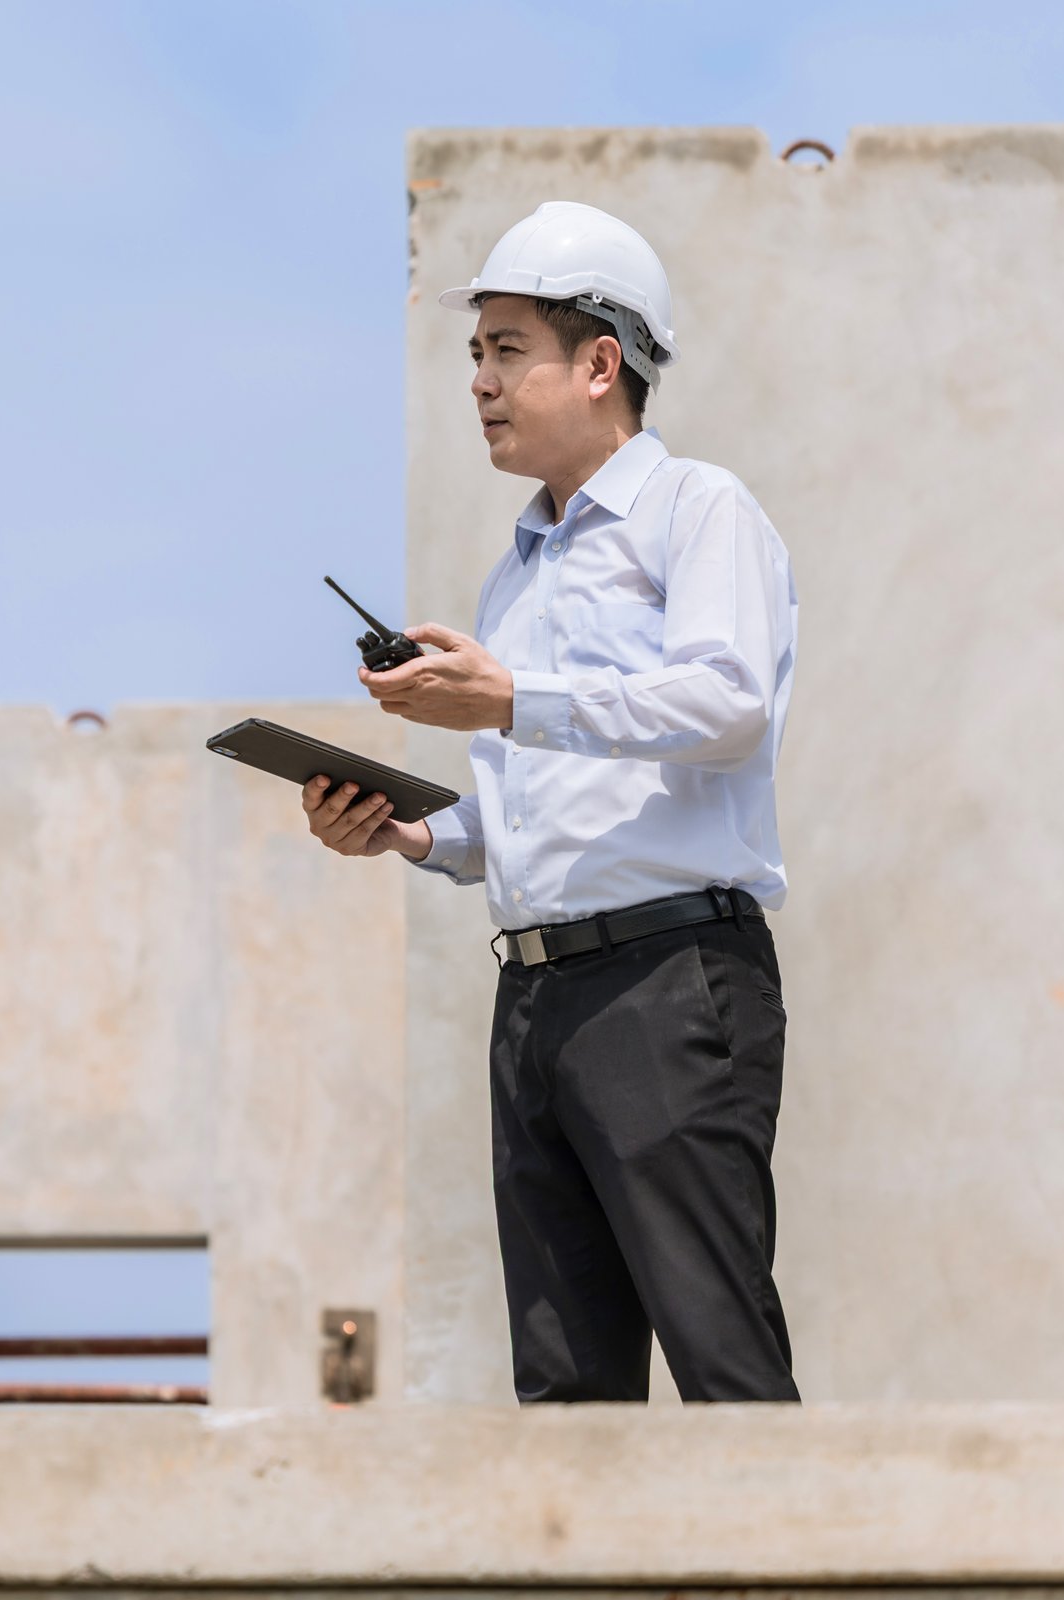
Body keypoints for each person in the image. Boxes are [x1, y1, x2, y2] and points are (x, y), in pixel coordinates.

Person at [302, 201, 800, 1403]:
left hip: (668, 980)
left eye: (507, 347)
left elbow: (729, 704)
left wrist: (512, 696)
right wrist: (410, 831)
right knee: (564, 1390)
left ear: (598, 363)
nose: (479, 379)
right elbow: (525, 809)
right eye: (475, 352)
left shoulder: (700, 510)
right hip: (532, 995)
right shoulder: (512, 574)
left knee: (718, 1348)